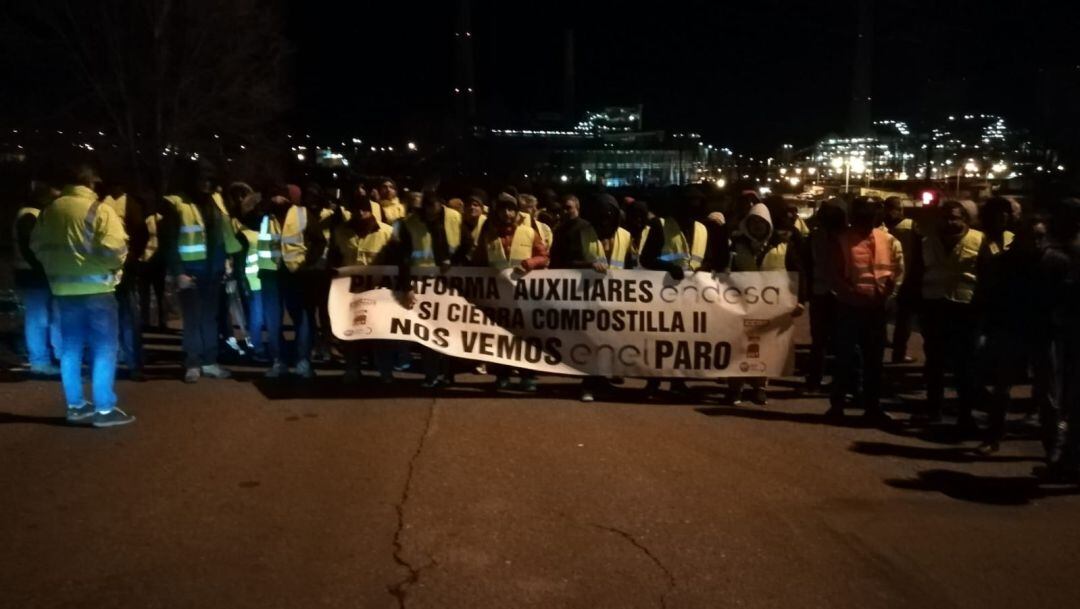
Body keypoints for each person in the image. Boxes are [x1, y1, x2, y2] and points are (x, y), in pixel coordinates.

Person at [30, 161, 133, 427]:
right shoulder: (99, 210)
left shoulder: (47, 212)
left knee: (70, 348)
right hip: (98, 289)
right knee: (104, 349)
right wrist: (111, 268)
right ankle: (104, 409)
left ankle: (75, 406)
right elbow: (116, 250)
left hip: (63, 291)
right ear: (90, 183)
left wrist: (56, 269)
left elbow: (37, 248)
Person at [826, 197, 903, 424]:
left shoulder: (888, 240)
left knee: (874, 361)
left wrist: (889, 297)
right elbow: (835, 274)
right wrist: (850, 295)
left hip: (876, 309)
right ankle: (837, 405)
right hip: (850, 308)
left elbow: (898, 271)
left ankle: (872, 406)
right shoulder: (842, 241)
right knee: (844, 359)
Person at [913, 200, 988, 431]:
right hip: (935, 306)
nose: (950, 222)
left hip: (966, 308)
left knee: (965, 365)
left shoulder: (980, 240)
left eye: (956, 217)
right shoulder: (927, 242)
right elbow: (917, 272)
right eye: (946, 217)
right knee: (934, 362)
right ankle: (934, 410)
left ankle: (965, 415)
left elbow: (986, 275)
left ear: (966, 220)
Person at [161, 162, 239, 384]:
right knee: (193, 319)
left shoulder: (216, 200)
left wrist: (226, 262)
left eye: (209, 180)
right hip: (190, 271)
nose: (206, 184)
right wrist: (178, 273)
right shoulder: (175, 203)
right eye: (202, 179)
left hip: (213, 270)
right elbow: (169, 241)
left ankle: (209, 361)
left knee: (209, 318)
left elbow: (223, 235)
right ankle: (193, 363)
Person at [975, 211, 1045, 454]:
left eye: (1040, 237)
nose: (1037, 242)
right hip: (1009, 329)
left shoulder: (1052, 262)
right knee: (1002, 388)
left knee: (1047, 391)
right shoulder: (1002, 263)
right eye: (1032, 237)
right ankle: (993, 436)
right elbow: (989, 296)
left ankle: (1052, 447)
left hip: (1041, 332)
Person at [638, 187, 716, 398]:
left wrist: (703, 268)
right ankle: (653, 381)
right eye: (689, 203)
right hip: (663, 293)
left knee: (685, 340)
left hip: (692, 295)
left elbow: (707, 258)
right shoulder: (661, 225)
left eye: (697, 203)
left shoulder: (702, 228)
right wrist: (669, 268)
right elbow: (646, 259)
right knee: (659, 340)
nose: (693, 207)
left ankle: (677, 380)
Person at [727, 202, 806, 405]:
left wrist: (800, 300)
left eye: (761, 223)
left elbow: (798, 274)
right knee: (738, 346)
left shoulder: (783, 246)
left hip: (771, 308)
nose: (757, 227)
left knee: (765, 348)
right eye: (753, 223)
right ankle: (735, 388)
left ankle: (760, 386)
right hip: (741, 306)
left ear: (768, 224)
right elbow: (726, 273)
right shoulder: (737, 245)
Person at [472, 193, 550, 391]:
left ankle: (528, 375)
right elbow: (479, 262)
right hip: (498, 296)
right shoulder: (488, 233)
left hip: (524, 296)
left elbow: (544, 257)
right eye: (503, 209)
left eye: (511, 209)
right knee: (501, 337)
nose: (507, 213)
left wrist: (530, 263)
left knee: (527, 336)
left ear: (516, 212)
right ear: (497, 211)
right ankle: (502, 375)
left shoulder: (529, 232)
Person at [398, 191, 472, 388]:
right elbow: (403, 258)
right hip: (422, 284)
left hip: (449, 284)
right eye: (427, 208)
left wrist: (453, 261)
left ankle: (448, 374)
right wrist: (407, 288)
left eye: (434, 207)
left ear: (440, 205)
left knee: (450, 330)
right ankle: (431, 374)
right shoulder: (410, 223)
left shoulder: (454, 218)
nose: (431, 212)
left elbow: (467, 244)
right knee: (427, 330)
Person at [1034, 197, 1080, 481]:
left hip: (1066, 334)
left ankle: (1069, 460)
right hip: (1066, 332)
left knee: (1070, 400)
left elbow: (1045, 299)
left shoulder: (1059, 256)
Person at [251, 184, 316, 379]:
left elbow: (319, 241)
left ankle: (302, 361)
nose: (278, 199)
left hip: (295, 273)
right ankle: (279, 361)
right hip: (270, 273)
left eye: (282, 196)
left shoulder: (303, 214)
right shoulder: (264, 217)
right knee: (273, 321)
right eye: (275, 196)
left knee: (301, 318)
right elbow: (245, 218)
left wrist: (307, 263)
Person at [330, 195, 395, 384]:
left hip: (379, 291)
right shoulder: (341, 232)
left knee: (381, 333)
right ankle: (352, 369)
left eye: (364, 209)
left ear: (370, 210)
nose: (360, 213)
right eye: (356, 210)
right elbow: (334, 260)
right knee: (352, 332)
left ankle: (385, 371)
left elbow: (395, 262)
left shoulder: (387, 232)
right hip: (349, 291)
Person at [576, 194, 635, 402]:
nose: (605, 219)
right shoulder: (583, 234)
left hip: (617, 299)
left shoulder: (626, 237)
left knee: (611, 341)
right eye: (601, 215)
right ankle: (589, 384)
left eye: (610, 215)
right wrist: (588, 266)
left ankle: (603, 380)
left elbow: (630, 268)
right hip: (589, 297)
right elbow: (566, 263)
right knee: (592, 341)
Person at [12, 181, 62, 376]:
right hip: (33, 275)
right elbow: (30, 249)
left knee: (43, 317)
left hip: (34, 274)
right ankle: (39, 361)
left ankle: (43, 358)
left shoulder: (33, 214)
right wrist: (44, 268)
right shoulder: (31, 215)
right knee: (38, 318)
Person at [804, 200, 846, 390]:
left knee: (838, 341)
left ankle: (835, 379)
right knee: (820, 340)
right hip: (823, 292)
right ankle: (816, 378)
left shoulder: (845, 236)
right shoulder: (815, 236)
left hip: (838, 293)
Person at [884, 196, 918, 364]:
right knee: (903, 320)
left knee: (882, 317)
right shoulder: (911, 226)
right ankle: (898, 354)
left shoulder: (879, 226)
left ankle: (881, 348)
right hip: (906, 278)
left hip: (884, 278)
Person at [138, 196, 167, 330]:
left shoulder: (149, 220)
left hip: (149, 260)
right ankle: (160, 321)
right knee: (157, 293)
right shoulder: (159, 219)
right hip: (154, 260)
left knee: (149, 293)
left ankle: (148, 321)